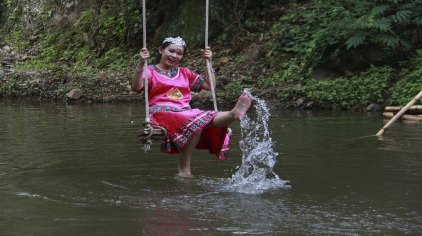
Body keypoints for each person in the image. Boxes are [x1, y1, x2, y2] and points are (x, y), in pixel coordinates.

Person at [132, 36, 251, 178]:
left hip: (186, 113)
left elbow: (210, 86)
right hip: (161, 113)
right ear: (161, 50)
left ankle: (233, 114)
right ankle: (184, 168)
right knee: (195, 119)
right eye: (171, 51)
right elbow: (136, 87)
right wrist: (141, 63)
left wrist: (209, 62)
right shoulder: (150, 70)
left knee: (200, 116)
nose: (174, 56)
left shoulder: (184, 72)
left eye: (179, 53)